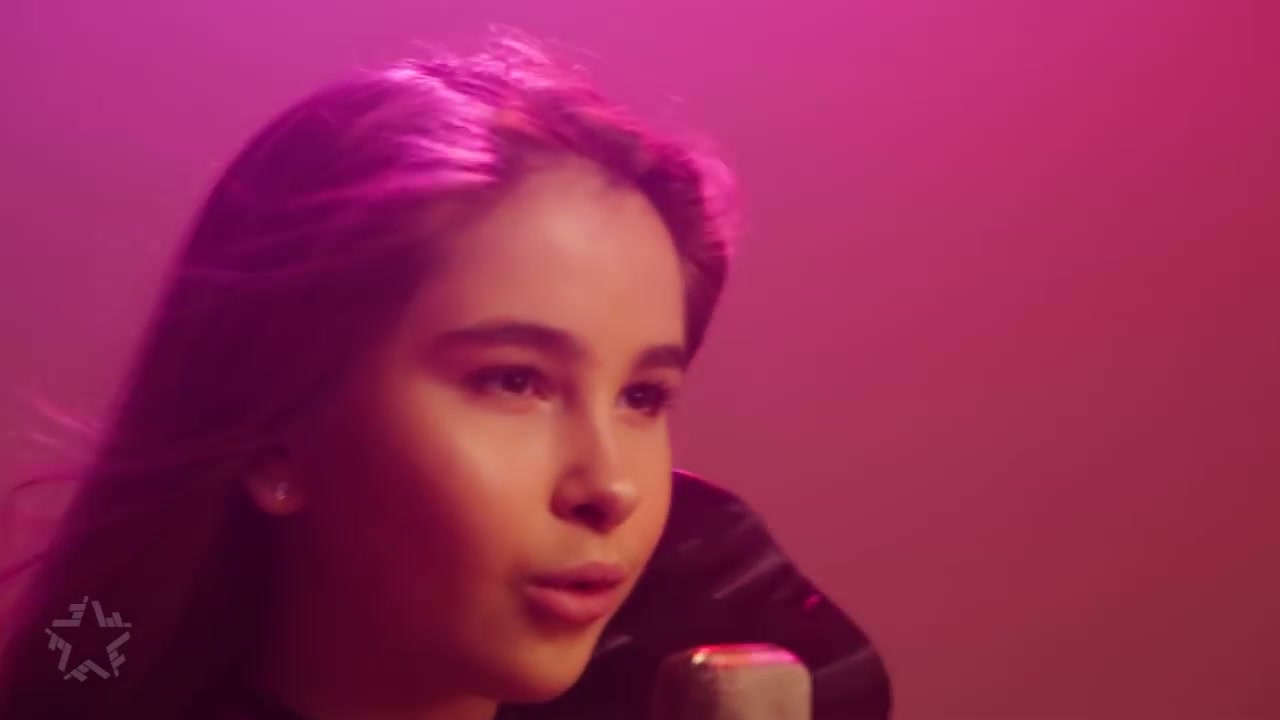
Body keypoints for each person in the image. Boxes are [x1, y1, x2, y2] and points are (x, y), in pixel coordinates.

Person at [0, 34, 891, 720]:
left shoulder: (731, 639)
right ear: (277, 434)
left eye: (643, 396)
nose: (610, 487)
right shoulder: (91, 667)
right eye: (514, 382)